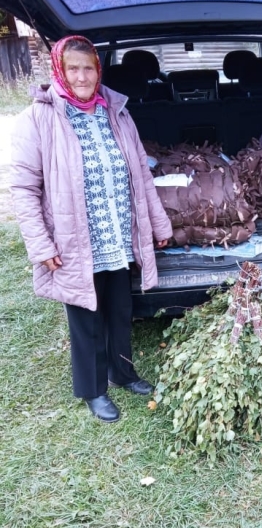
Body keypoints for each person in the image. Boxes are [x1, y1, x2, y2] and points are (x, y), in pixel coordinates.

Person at [10, 35, 173, 422]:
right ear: (59, 71)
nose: (82, 77)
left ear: (99, 71)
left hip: (116, 231)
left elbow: (141, 176)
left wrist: (158, 223)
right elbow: (24, 188)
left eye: (88, 68)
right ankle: (94, 389)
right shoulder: (39, 117)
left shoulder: (116, 112)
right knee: (86, 314)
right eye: (73, 69)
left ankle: (122, 372)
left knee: (120, 308)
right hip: (73, 238)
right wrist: (41, 245)